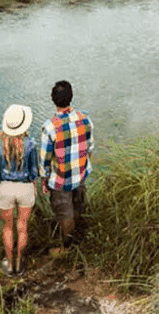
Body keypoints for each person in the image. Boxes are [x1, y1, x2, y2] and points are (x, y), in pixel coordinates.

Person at [38, 80, 94, 253]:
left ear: (53, 100)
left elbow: (44, 159)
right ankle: (80, 238)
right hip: (81, 174)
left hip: (61, 180)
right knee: (78, 206)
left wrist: (44, 180)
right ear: (71, 97)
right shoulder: (85, 119)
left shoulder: (50, 127)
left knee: (65, 214)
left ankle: (68, 249)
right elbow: (90, 147)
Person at [0, 103, 40, 276]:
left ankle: (10, 266)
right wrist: (33, 184)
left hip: (5, 188)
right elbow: (34, 171)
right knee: (22, 227)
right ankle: (19, 263)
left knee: (7, 228)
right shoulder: (30, 143)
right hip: (25, 188)